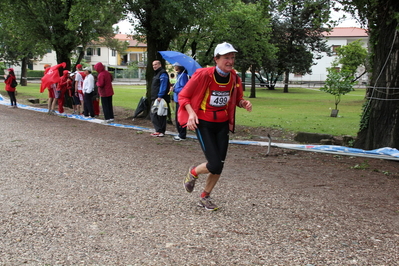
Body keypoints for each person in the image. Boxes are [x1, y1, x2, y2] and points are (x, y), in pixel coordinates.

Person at [178, 42, 252, 211]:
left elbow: (236, 98)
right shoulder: (203, 75)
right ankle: (193, 172)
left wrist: (243, 103)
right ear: (216, 59)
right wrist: (191, 113)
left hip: (222, 124)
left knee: (220, 164)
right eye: (226, 58)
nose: (230, 61)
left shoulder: (234, 77)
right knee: (214, 164)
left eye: (232, 57)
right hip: (204, 123)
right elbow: (183, 96)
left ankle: (205, 197)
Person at [150, 60, 170, 137]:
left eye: (156, 64)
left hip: (159, 98)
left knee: (157, 114)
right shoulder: (157, 74)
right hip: (156, 97)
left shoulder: (162, 74)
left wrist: (160, 96)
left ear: (160, 65)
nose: (154, 66)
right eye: (153, 65)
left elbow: (163, 85)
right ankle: (160, 131)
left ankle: (159, 131)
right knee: (157, 114)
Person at [170, 62, 189, 141]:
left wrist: (174, 89)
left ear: (179, 67)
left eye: (175, 65)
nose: (174, 67)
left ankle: (182, 134)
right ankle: (180, 133)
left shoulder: (183, 76)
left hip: (180, 100)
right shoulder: (179, 75)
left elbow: (184, 88)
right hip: (177, 99)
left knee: (180, 118)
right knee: (177, 117)